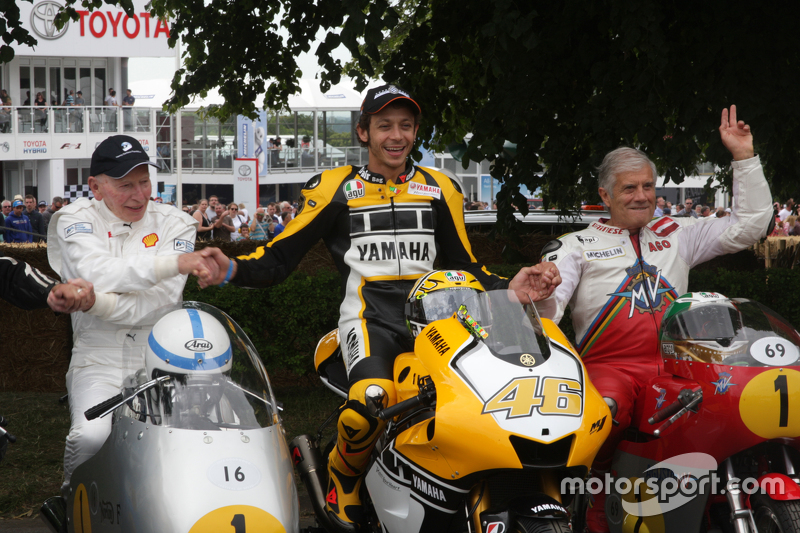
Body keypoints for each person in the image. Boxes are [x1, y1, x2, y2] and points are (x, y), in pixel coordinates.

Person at [192, 84, 560, 530]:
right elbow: (280, 257)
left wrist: (509, 285)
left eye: (405, 125)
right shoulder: (335, 187)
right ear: (364, 132)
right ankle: (342, 476)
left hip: (438, 322)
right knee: (371, 399)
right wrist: (230, 268)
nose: (396, 135)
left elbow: (466, 265)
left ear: (415, 132)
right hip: (368, 321)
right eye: (384, 125)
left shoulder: (441, 186)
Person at [535, 106, 772, 533]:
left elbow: (749, 226)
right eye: (629, 188)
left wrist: (744, 157)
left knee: (733, 408)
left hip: (679, 366)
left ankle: (724, 506)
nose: (641, 195)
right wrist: (540, 294)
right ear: (605, 195)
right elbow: (548, 312)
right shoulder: (575, 244)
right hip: (610, 371)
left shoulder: (678, 232)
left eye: (647, 185)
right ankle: (590, 514)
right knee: (602, 417)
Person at [47, 135, 210, 493]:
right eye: (125, 186)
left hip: (162, 355)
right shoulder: (73, 217)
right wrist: (171, 263)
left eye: (144, 182)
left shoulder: (176, 222)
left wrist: (96, 303)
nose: (139, 195)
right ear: (96, 187)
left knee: (188, 443)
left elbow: (162, 301)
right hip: (97, 356)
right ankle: (71, 503)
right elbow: (96, 274)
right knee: (91, 437)